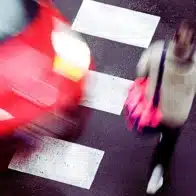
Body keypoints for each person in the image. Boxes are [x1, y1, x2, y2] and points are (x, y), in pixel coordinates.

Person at [136, 20, 196, 194]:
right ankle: (156, 175)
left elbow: (141, 71)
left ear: (173, 37)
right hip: (176, 116)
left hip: (154, 109)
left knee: (160, 133)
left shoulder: (158, 53)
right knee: (167, 146)